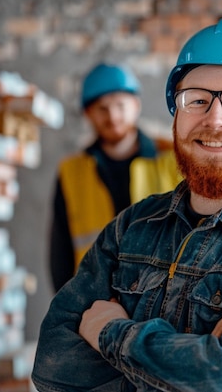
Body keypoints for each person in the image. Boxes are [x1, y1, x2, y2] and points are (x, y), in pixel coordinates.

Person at [33, 18, 222, 392]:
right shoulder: (130, 228)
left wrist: (111, 332)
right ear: (176, 117)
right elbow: (52, 367)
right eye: (196, 99)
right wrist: (200, 359)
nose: (215, 118)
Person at [49, 62, 181, 291]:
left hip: (162, 297)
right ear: (88, 114)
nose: (112, 116)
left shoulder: (173, 160)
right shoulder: (71, 172)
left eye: (120, 105)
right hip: (94, 300)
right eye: (102, 108)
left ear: (136, 105)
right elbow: (60, 252)